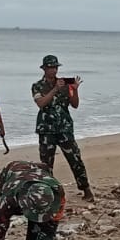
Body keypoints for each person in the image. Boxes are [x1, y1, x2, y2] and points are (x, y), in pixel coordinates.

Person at [32, 55, 93, 201]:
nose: (54, 70)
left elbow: (75, 104)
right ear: (45, 69)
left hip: (64, 128)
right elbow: (41, 103)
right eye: (51, 68)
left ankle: (86, 188)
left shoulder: (65, 84)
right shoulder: (37, 86)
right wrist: (54, 89)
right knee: (46, 164)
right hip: (46, 129)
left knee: (75, 159)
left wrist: (75, 89)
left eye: (56, 67)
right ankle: (49, 193)